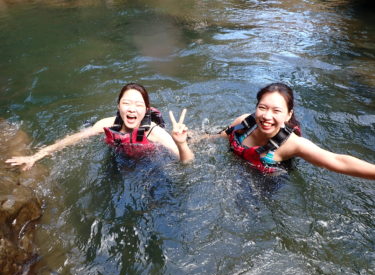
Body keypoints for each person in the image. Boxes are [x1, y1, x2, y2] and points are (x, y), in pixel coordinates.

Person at [5, 83, 194, 171]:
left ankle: (199, 136)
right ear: (119, 105)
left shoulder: (155, 133)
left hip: (150, 162)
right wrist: (35, 156)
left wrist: (181, 143)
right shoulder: (107, 124)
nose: (132, 109)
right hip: (119, 156)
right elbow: (73, 139)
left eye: (138, 105)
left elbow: (186, 162)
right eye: (126, 103)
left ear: (145, 110)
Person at [217, 82, 375, 179]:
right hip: (232, 169)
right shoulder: (244, 122)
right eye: (262, 107)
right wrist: (193, 138)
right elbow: (218, 137)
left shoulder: (293, 144)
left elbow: (337, 161)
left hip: (264, 183)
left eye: (276, 111)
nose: (266, 116)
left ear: (288, 115)